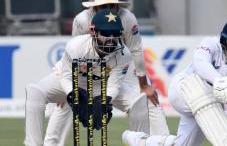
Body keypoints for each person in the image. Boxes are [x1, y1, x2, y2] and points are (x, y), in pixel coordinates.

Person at [43, 0, 169, 146]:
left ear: (118, 6)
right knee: (67, 102)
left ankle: (164, 141)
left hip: (121, 61)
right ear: (95, 7)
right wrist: (70, 90)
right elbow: (74, 52)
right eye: (104, 6)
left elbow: (135, 49)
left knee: (148, 99)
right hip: (89, 63)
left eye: (112, 6)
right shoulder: (82, 20)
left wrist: (143, 84)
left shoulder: (128, 18)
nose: (109, 10)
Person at [24, 10, 141, 145]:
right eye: (106, 33)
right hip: (71, 81)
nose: (111, 39)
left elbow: (114, 85)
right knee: (35, 92)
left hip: (101, 85)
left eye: (115, 34)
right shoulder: (75, 46)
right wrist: (73, 95)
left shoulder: (124, 54)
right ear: (93, 31)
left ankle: (142, 142)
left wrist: (104, 101)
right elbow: (66, 77)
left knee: (138, 102)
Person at [167, 18, 227, 146]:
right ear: (226, 41)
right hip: (182, 90)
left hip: (206, 106)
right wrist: (219, 81)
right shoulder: (211, 44)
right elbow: (200, 63)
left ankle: (145, 141)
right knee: (211, 99)